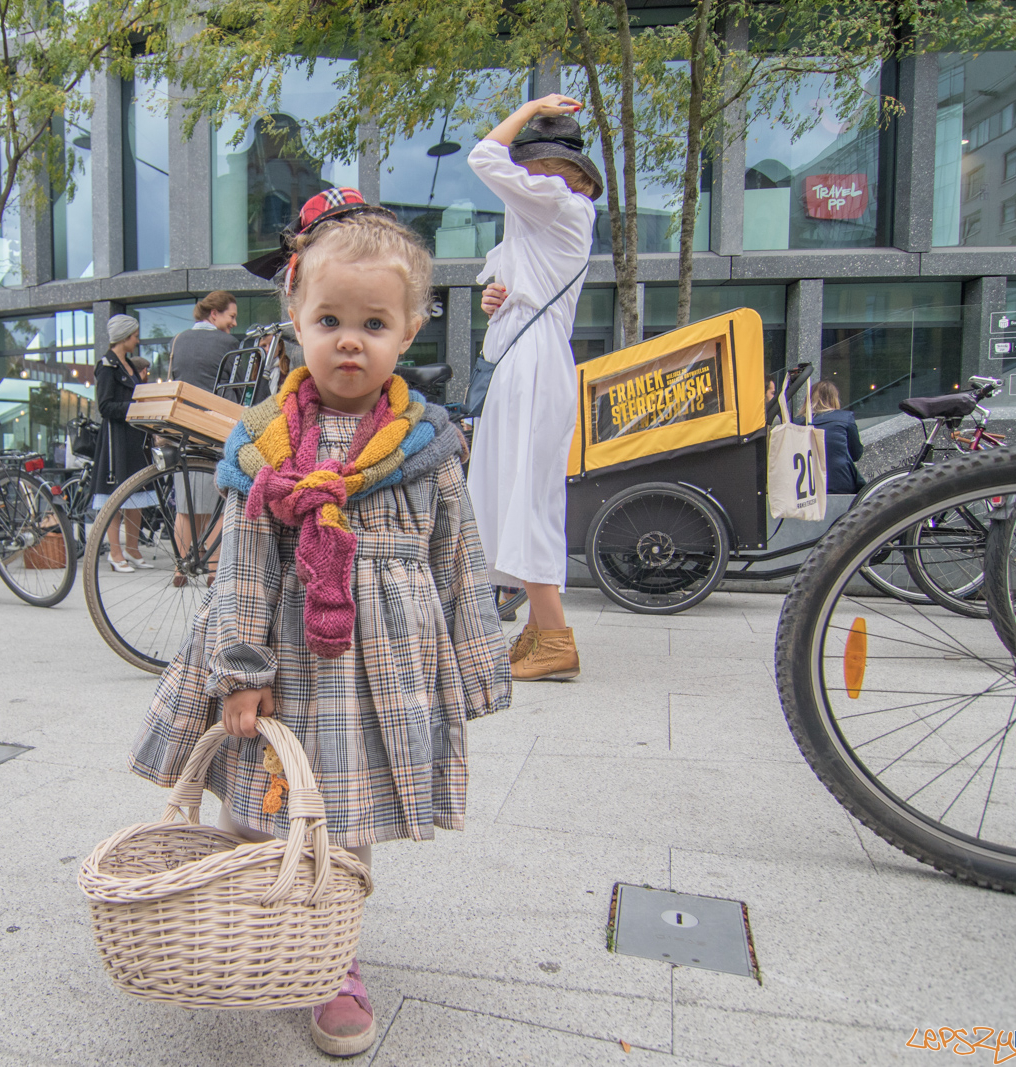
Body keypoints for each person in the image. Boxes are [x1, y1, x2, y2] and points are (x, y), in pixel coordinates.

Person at [129, 193, 511, 1057]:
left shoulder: (428, 445)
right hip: (285, 665)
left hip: (381, 671)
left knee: (348, 823)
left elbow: (460, 558)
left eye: (374, 323)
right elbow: (243, 566)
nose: (349, 341)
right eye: (330, 320)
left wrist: (477, 667)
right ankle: (242, 911)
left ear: (409, 330)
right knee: (258, 802)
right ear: (295, 320)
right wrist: (241, 670)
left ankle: (333, 955)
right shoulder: (264, 442)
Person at [466, 95, 600, 682]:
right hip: (525, 358)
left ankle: (556, 638)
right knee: (510, 490)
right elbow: (518, 292)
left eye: (532, 165)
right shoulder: (544, 216)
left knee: (526, 495)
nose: (522, 176)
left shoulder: (559, 203)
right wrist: (498, 300)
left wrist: (527, 109)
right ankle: (541, 630)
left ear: (555, 170)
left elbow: (482, 156)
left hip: (534, 365)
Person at [168, 292, 241, 565]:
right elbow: (239, 388)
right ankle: (212, 569)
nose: (234, 322)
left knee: (185, 504)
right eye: (231, 316)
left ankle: (180, 567)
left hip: (182, 426)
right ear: (214, 314)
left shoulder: (179, 339)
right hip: (215, 428)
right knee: (218, 503)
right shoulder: (228, 343)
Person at [91, 314, 155, 572]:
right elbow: (105, 406)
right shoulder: (107, 367)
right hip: (116, 440)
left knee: (136, 494)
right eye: (135, 336)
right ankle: (115, 552)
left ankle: (133, 549)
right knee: (115, 497)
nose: (137, 340)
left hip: (135, 438)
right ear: (124, 337)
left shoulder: (128, 364)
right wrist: (135, 407)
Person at [798, 380, 864, 494]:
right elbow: (856, 454)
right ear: (834, 399)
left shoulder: (797, 423)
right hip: (841, 482)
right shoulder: (845, 418)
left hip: (807, 486)